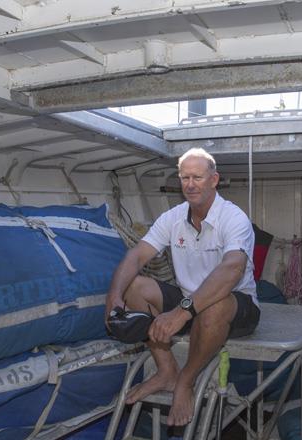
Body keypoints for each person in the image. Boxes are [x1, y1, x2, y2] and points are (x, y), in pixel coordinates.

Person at [104, 147, 260, 427]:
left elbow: (232, 269)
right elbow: (136, 256)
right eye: (185, 177)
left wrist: (182, 312)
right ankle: (166, 372)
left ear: (214, 180)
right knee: (135, 287)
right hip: (189, 303)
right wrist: (114, 299)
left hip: (236, 305)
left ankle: (185, 381)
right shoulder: (173, 217)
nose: (190, 184)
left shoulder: (233, 218)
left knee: (215, 305)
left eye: (197, 177)